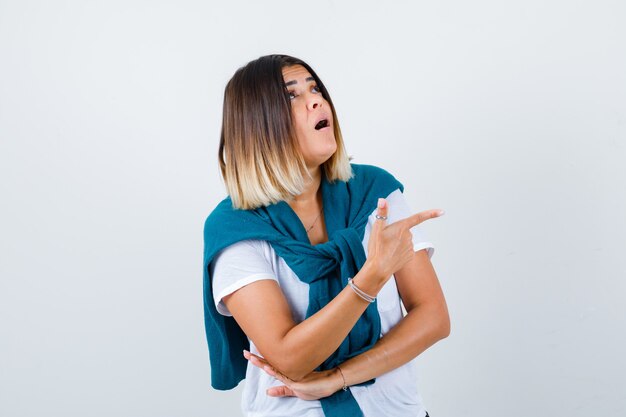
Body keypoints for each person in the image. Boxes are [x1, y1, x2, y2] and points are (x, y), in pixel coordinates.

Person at [203, 54, 450, 417]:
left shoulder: (375, 193)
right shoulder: (234, 228)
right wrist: (372, 276)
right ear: (257, 125)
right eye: (292, 95)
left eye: (314, 88)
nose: (317, 100)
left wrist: (338, 377)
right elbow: (290, 358)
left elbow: (433, 317)